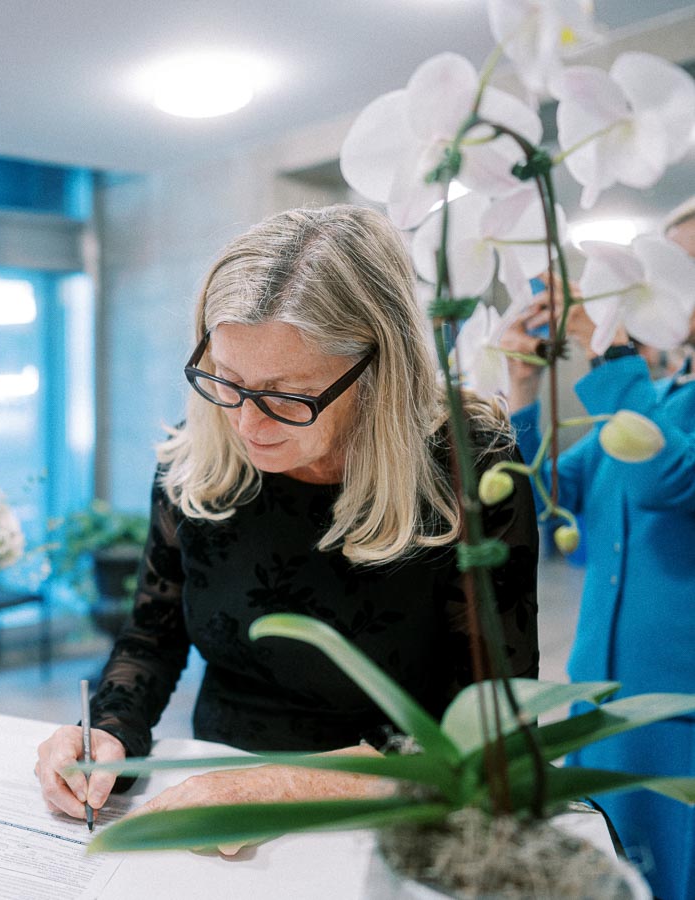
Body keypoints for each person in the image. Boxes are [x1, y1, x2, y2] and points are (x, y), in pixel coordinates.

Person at [35, 205, 539, 828]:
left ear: (379, 371)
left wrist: (281, 786)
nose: (246, 424)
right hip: (219, 779)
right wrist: (107, 730)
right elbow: (153, 635)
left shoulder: (470, 467)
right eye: (225, 378)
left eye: (284, 395)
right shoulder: (194, 464)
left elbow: (491, 717)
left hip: (397, 812)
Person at [501, 197, 695, 900]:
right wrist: (523, 387)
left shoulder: (640, 398)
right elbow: (543, 493)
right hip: (596, 701)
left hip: (676, 716)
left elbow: (663, 478)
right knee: (602, 876)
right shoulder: (658, 394)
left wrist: (611, 353)